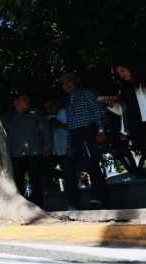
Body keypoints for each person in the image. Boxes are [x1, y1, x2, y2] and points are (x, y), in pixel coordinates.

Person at [58, 73, 110, 208]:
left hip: (88, 131)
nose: (66, 85)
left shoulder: (88, 93)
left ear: (76, 81)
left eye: (68, 81)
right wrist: (69, 142)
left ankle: (97, 198)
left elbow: (99, 111)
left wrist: (101, 130)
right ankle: (105, 199)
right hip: (76, 135)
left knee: (91, 164)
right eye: (63, 83)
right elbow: (70, 123)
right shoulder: (68, 101)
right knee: (87, 166)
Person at [2, 93, 52, 207]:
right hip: (16, 155)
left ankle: (39, 207)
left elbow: (46, 130)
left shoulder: (35, 114)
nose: (28, 100)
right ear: (16, 103)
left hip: (35, 153)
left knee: (36, 181)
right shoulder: (7, 118)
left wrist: (48, 146)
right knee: (17, 182)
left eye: (28, 98)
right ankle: (19, 207)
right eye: (24, 99)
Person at [98, 61, 146, 171]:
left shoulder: (143, 82)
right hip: (136, 128)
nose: (121, 74)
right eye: (119, 73)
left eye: (123, 70)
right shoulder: (124, 89)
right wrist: (109, 104)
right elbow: (123, 111)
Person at [44, 97, 80, 210]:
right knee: (42, 167)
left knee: (70, 180)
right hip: (54, 151)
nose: (50, 109)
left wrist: (60, 125)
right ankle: (67, 175)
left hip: (66, 149)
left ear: (58, 103)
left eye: (52, 106)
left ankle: (74, 205)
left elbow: (74, 128)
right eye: (47, 108)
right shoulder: (47, 117)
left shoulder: (66, 112)